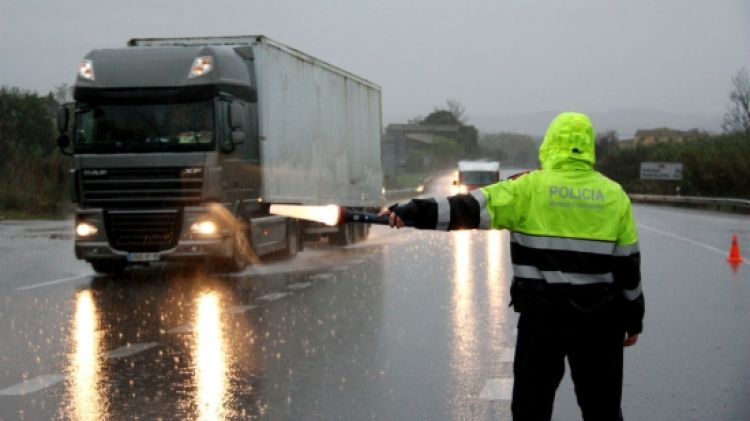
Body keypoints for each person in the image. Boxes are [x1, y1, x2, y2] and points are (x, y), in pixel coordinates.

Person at [380, 112, 644, 421]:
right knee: (603, 410)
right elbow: (629, 267)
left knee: (531, 410)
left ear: (551, 144)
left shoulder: (526, 189)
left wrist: (410, 212)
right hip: (600, 325)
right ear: (588, 147)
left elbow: (463, 208)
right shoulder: (614, 196)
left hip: (542, 322)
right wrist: (633, 318)